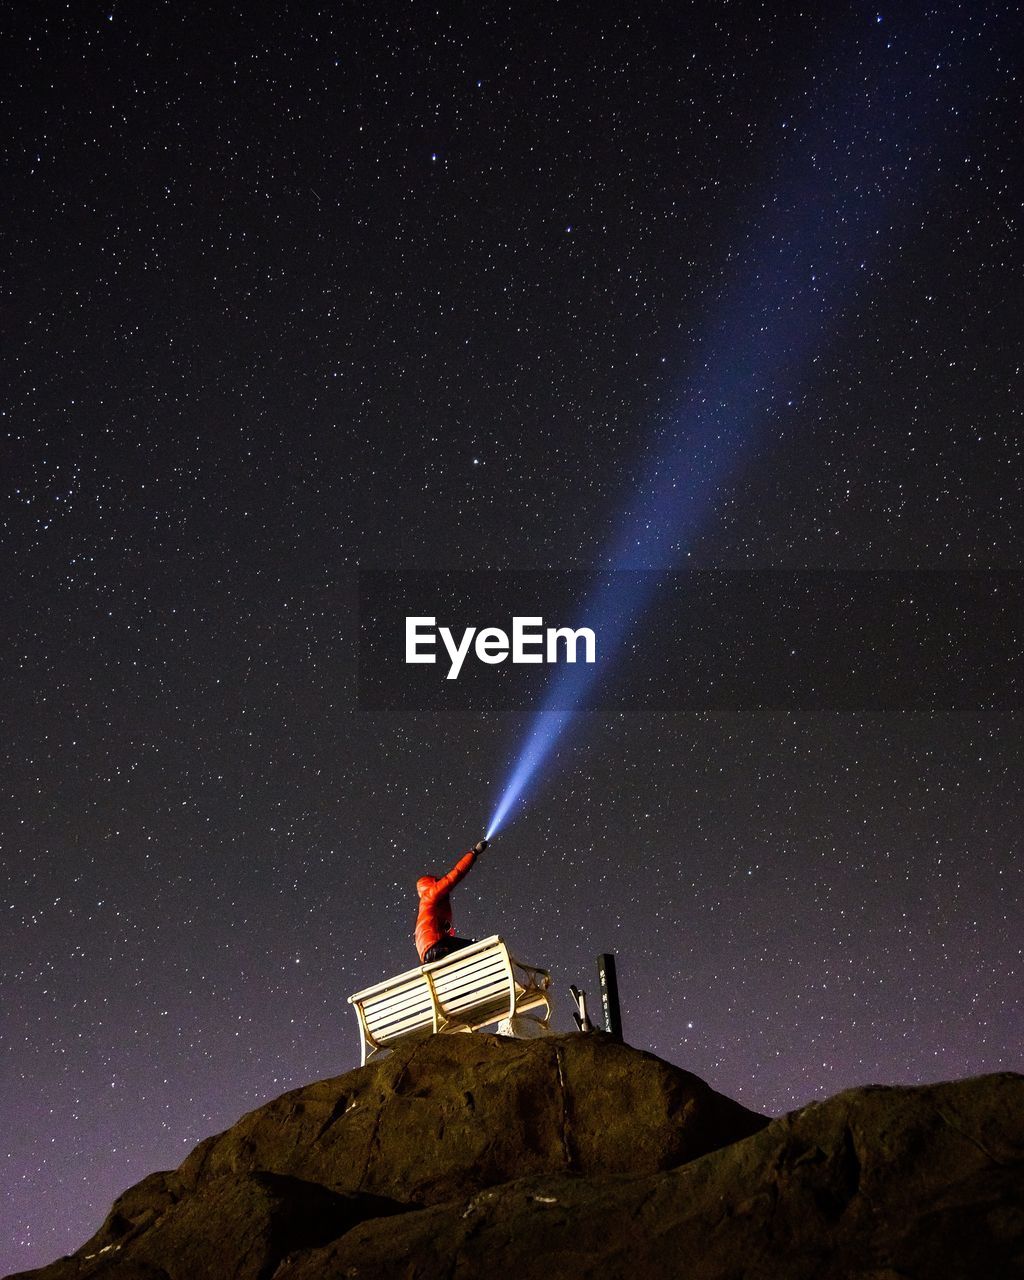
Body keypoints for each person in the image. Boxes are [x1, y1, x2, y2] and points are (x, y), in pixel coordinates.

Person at [415, 839, 489, 964]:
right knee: (480, 948)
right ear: (432, 884)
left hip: (429, 955)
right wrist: (474, 853)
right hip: (437, 945)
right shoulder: (430, 894)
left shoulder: (428, 908)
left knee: (472, 951)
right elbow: (455, 875)